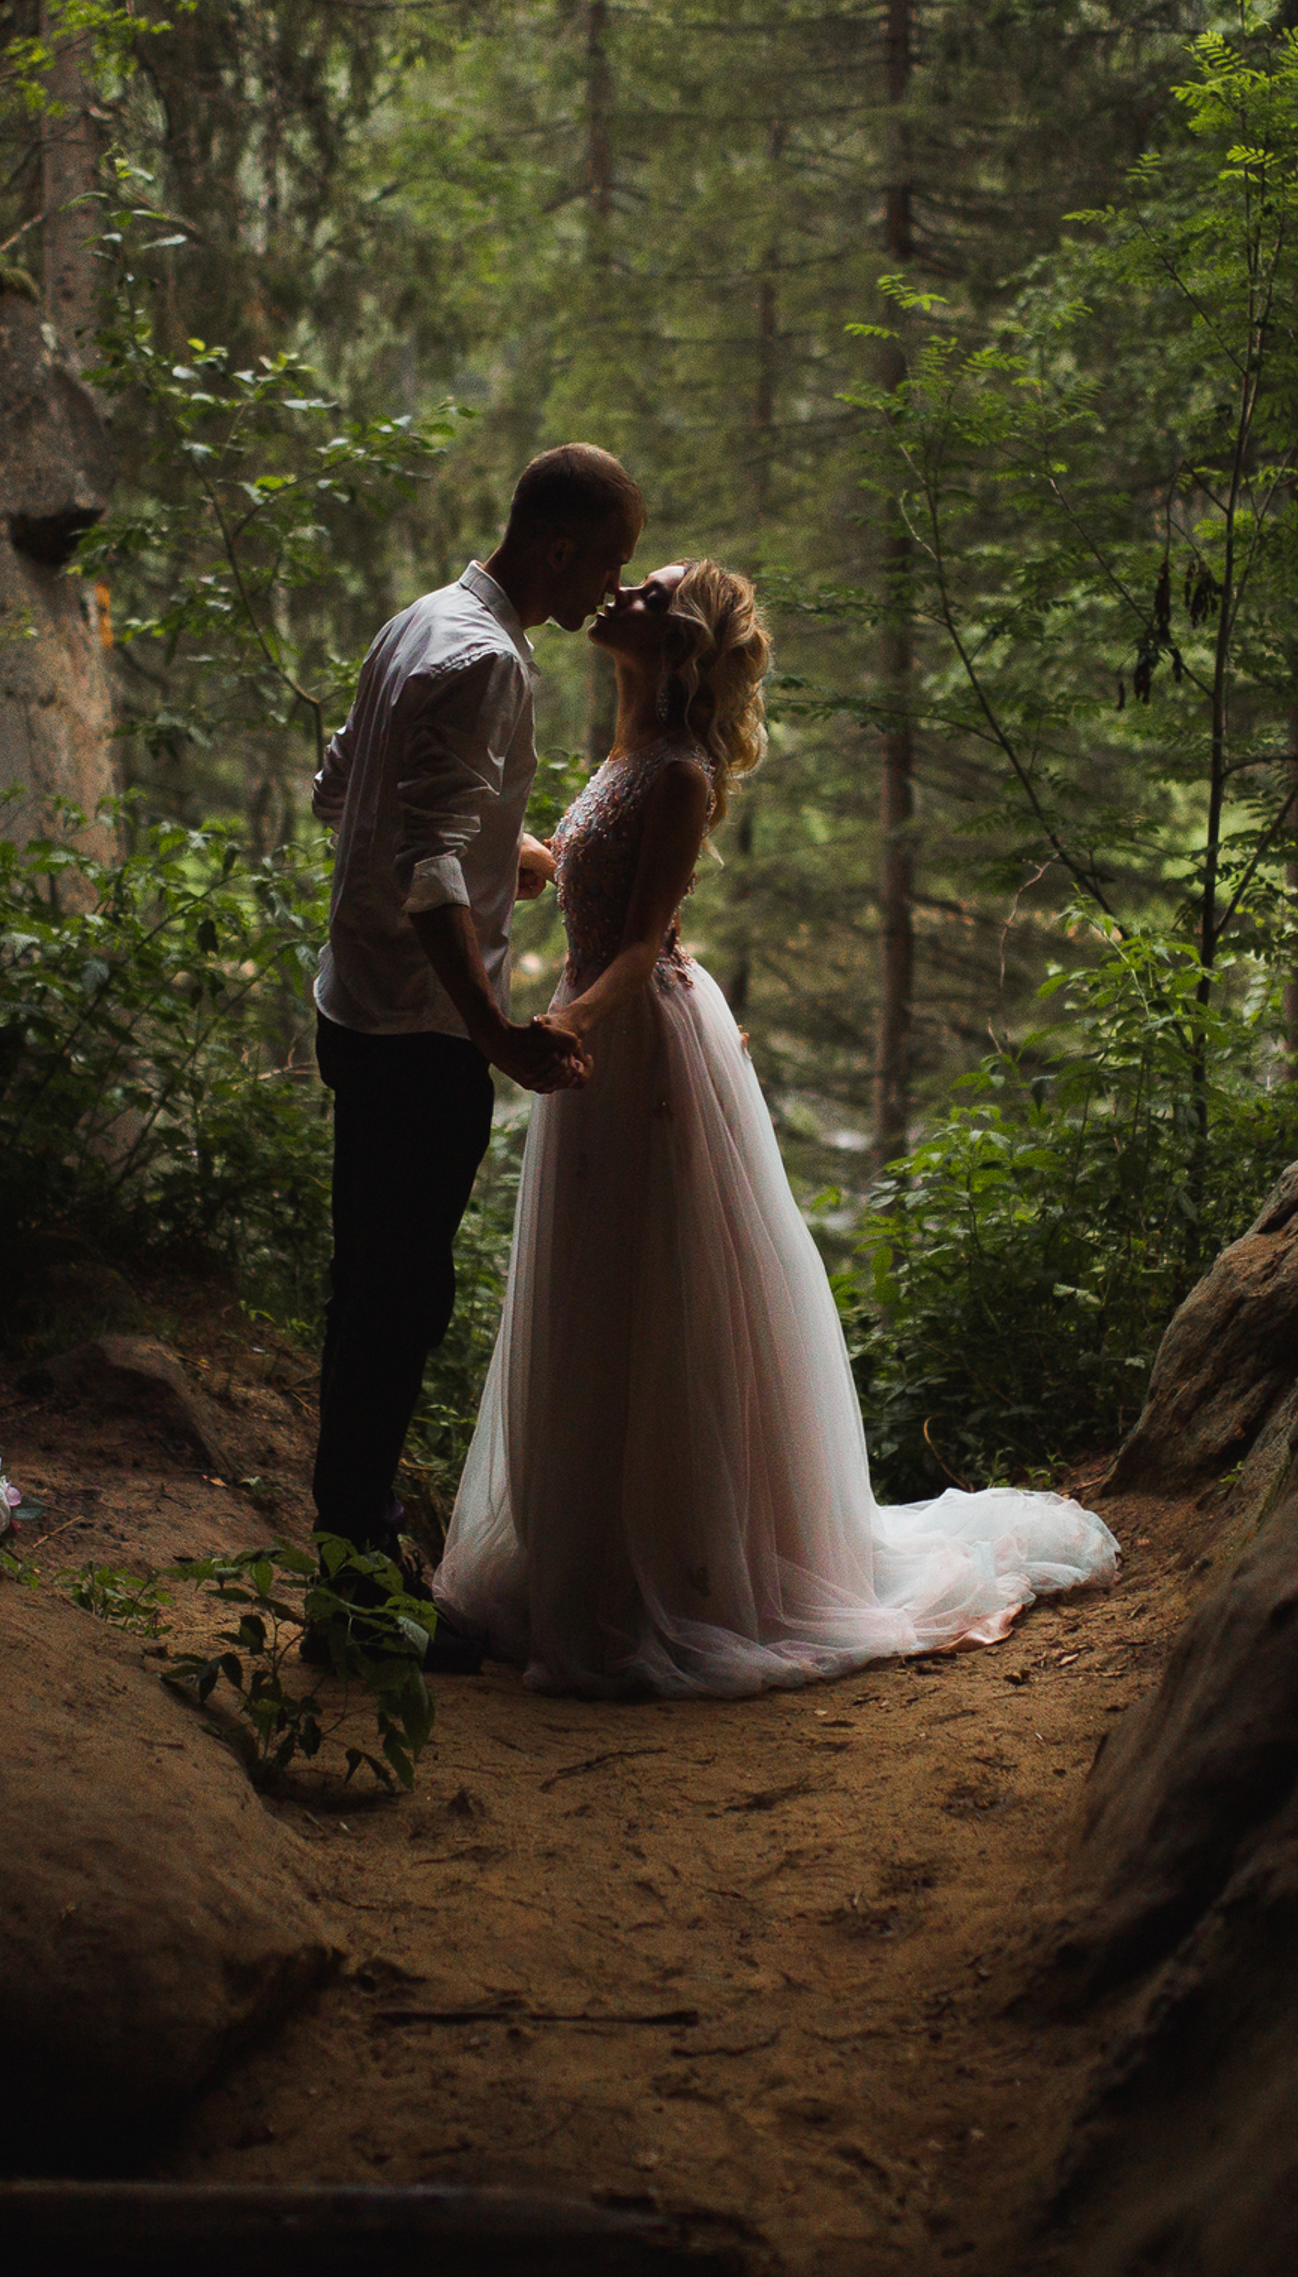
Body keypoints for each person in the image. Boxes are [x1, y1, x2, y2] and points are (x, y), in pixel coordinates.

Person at [434, 558, 1119, 1695]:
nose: (621, 595)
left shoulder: (679, 773)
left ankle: (679, 1571)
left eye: (648, 593)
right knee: (600, 1289)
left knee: (651, 1291)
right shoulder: (624, 752)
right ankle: (594, 1553)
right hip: (614, 1027)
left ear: (684, 642)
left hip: (639, 1039)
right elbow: (607, 888)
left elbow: (645, 940)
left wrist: (555, 1025)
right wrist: (545, 861)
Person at [308, 443, 645, 1667]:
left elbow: (342, 788)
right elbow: (427, 863)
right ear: (556, 547)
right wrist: (494, 1029)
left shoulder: (420, 623)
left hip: (354, 1004)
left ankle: (356, 1555)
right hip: (418, 1031)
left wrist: (517, 851)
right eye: (605, 560)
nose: (612, 589)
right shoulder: (489, 661)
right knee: (398, 1305)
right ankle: (354, 1593)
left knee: (373, 1294)